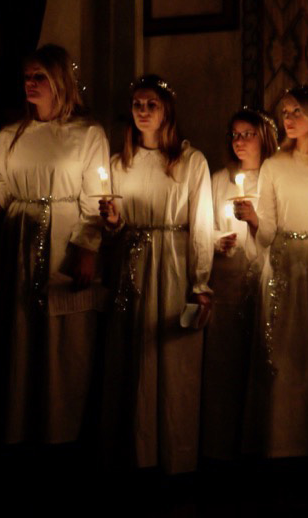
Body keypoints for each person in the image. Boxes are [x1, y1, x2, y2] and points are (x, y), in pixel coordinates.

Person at [0, 44, 108, 445]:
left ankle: (65, 434)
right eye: (27, 77)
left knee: (63, 342)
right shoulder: (9, 136)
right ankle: (21, 431)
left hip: (64, 241)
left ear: (59, 81)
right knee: (20, 335)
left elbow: (97, 198)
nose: (30, 84)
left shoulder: (87, 135)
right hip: (18, 242)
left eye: (39, 77)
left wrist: (86, 249)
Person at [97, 75, 214, 473]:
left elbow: (200, 222)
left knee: (170, 357)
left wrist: (200, 282)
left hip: (173, 264)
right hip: (133, 262)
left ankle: (173, 455)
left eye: (151, 105)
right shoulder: (119, 163)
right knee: (130, 355)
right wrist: (113, 222)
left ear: (167, 111)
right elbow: (113, 227)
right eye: (137, 105)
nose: (143, 112)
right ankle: (134, 454)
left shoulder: (190, 160)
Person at [243, 84, 308, 458]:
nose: (288, 119)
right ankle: (282, 445)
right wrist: (253, 219)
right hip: (284, 264)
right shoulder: (274, 165)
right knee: (281, 353)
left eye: (296, 111)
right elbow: (267, 231)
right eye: (284, 112)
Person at [201, 107, 278, 461]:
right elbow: (204, 225)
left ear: (264, 136)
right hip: (228, 278)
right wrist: (219, 239)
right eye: (234, 134)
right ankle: (220, 445)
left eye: (248, 133)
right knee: (224, 362)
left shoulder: (275, 177)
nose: (240, 141)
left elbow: (281, 229)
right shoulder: (219, 180)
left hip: (265, 276)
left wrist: (255, 220)